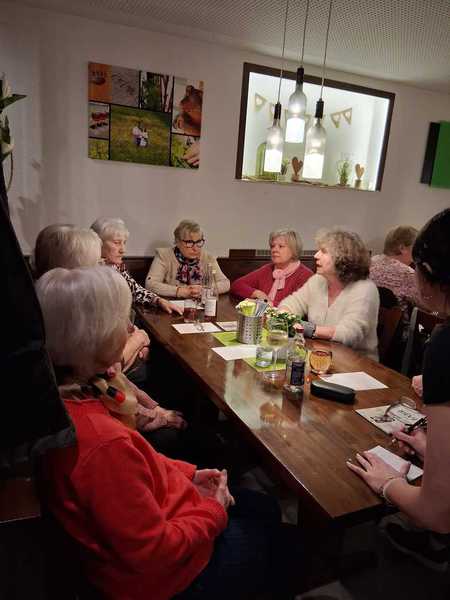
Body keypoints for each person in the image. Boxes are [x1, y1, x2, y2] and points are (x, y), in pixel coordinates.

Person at [37, 266, 301, 600]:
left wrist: (188, 474)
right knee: (286, 545)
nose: (129, 328)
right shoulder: (102, 442)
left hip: (161, 516)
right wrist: (214, 510)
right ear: (93, 336)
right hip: (168, 579)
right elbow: (154, 553)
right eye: (120, 320)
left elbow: (139, 462)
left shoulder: (78, 392)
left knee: (262, 507)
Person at [347, 208, 450, 583]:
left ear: (426, 272)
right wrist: (433, 448)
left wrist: (388, 484)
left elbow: (437, 511)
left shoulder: (445, 347)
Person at [32, 224, 185, 435]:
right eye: (96, 262)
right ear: (72, 268)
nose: (102, 265)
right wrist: (138, 340)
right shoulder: (67, 308)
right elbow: (107, 371)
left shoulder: (54, 296)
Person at [279, 228, 379, 360]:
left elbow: (348, 334)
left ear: (343, 258)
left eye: (324, 251)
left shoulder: (365, 288)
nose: (316, 255)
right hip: (320, 354)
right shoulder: (318, 280)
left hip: (357, 364)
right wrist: (284, 316)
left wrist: (307, 328)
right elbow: (291, 303)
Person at [91, 217, 183, 314]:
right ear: (98, 243)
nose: (123, 250)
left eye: (124, 243)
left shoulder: (115, 266)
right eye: (117, 243)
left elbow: (135, 290)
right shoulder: (90, 271)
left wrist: (158, 300)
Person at [146, 219, 230, 299]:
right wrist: (179, 291)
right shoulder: (164, 255)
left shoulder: (208, 258)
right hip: (171, 305)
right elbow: (150, 284)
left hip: (200, 305)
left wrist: (204, 290)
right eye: (189, 242)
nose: (195, 248)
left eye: (198, 242)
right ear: (177, 242)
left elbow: (225, 283)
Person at [230, 228, 313, 306]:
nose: (274, 250)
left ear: (294, 250)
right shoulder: (268, 269)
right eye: (273, 246)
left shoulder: (306, 275)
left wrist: (264, 303)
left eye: (280, 246)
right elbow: (236, 285)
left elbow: (295, 307)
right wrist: (257, 293)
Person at [370, 225, 420, 315]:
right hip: (397, 323)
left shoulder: (370, 261)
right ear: (402, 248)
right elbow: (429, 306)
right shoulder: (408, 274)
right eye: (416, 246)